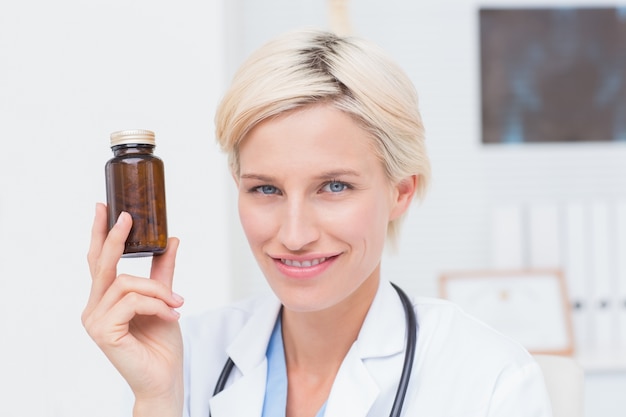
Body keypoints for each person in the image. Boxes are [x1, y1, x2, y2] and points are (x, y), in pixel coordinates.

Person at [82, 29, 553, 417]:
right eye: (265, 189)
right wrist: (157, 400)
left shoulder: (489, 382)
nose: (294, 234)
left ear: (401, 191)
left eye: (334, 187)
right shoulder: (186, 357)